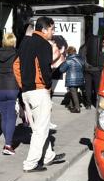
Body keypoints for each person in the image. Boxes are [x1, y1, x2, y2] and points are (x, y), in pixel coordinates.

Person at [13, 16, 65, 173]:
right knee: (40, 129)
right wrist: (47, 86)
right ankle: (30, 163)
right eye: (52, 29)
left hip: (27, 92)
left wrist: (24, 85)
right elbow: (45, 68)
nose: (53, 32)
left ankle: (48, 156)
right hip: (39, 91)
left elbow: (15, 65)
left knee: (40, 125)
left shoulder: (25, 42)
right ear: (44, 29)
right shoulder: (44, 44)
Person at [59, 46, 85, 113]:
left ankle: (77, 108)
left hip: (72, 79)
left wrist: (63, 62)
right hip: (80, 78)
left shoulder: (68, 60)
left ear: (68, 52)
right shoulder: (81, 59)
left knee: (73, 93)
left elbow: (61, 70)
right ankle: (71, 105)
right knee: (74, 92)